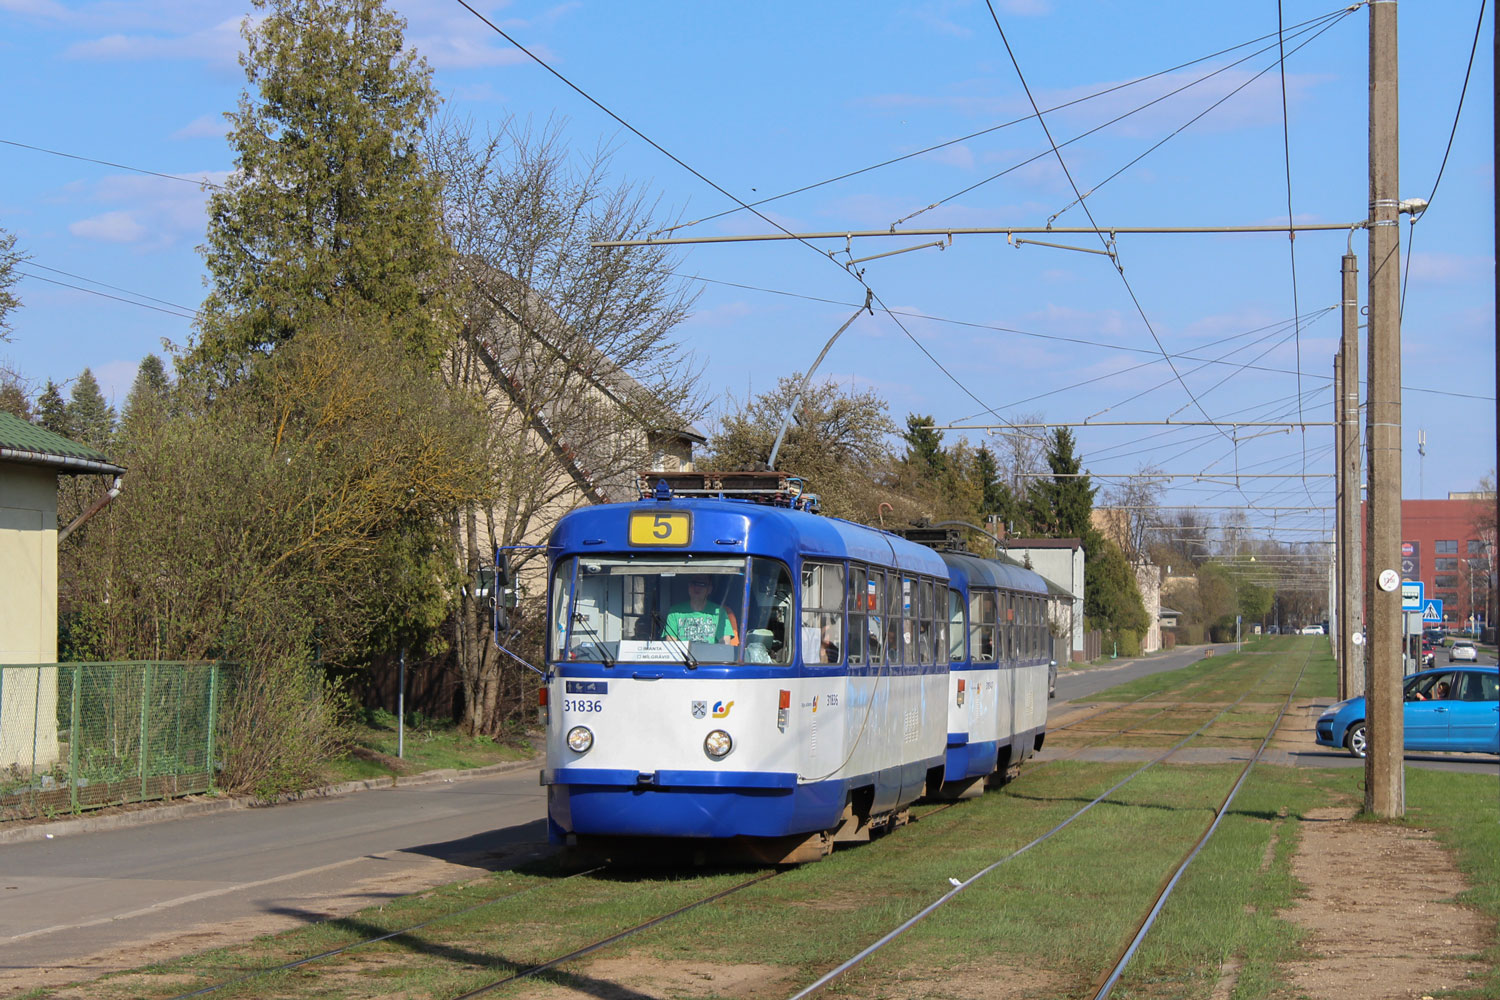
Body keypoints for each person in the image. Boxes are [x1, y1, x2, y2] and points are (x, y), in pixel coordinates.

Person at [662, 575, 739, 645]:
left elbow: (724, 644)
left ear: (709, 589)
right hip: (684, 659)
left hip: (711, 659)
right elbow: (670, 644)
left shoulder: (719, 612)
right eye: (694, 583)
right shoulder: (675, 611)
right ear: (689, 587)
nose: (697, 588)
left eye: (702, 584)